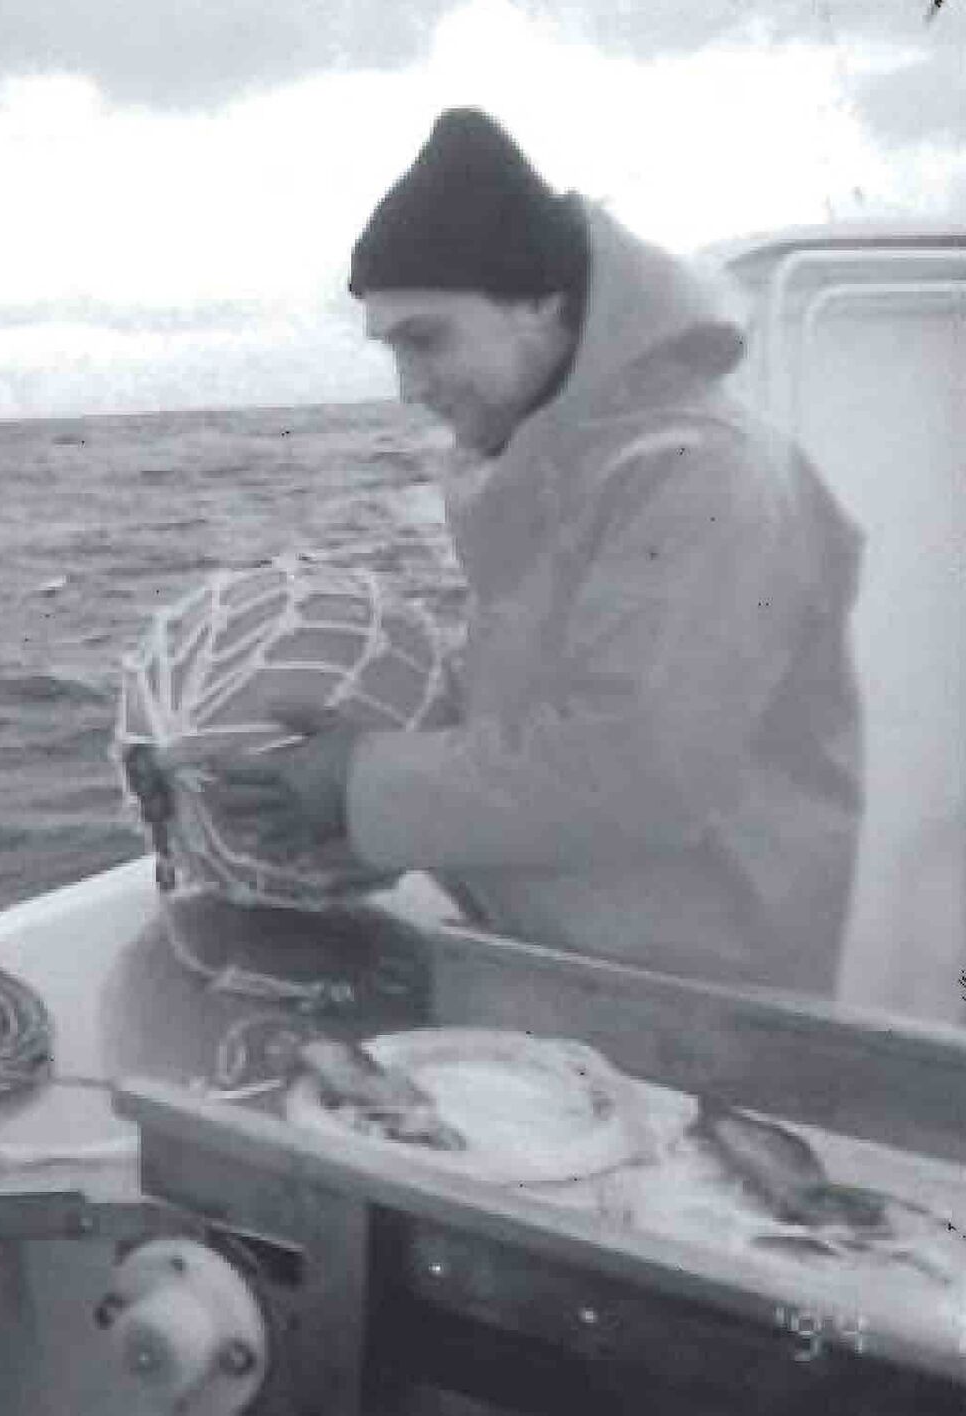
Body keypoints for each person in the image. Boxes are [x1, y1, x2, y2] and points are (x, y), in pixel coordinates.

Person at [209, 108, 863, 995]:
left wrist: (358, 784)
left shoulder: (706, 476)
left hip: (701, 1004)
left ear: (542, 303)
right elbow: (540, 730)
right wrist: (363, 763)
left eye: (426, 338)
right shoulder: (569, 467)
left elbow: (638, 774)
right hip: (563, 960)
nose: (408, 386)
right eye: (392, 348)